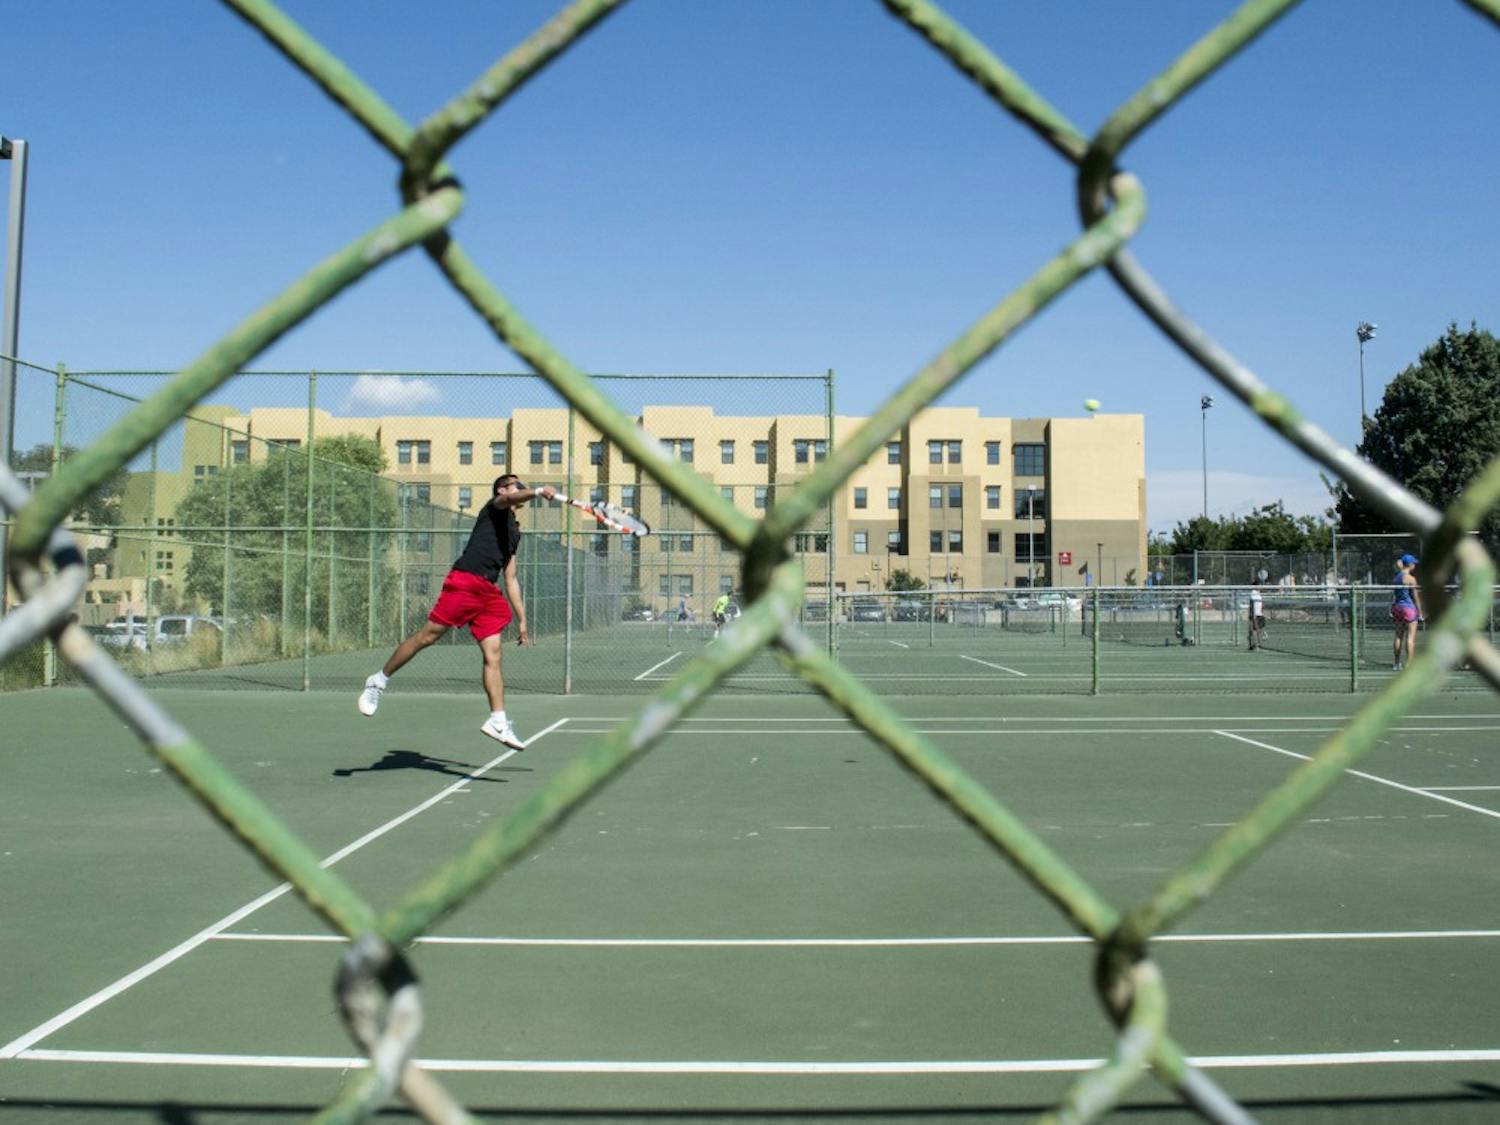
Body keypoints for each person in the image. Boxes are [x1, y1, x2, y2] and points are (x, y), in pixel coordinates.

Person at [357, 474, 556, 749]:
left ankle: (498, 721)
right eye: (517, 485)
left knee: (494, 654)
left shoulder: (514, 530)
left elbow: (511, 577)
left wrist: (522, 619)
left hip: (487, 591)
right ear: (502, 489)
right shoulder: (494, 507)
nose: (520, 488)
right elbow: (510, 499)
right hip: (465, 580)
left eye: (523, 486)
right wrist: (536, 491)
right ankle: (378, 681)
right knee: (426, 637)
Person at [1391, 552, 1425, 672]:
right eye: (1413, 563)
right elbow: (1416, 597)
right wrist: (1420, 613)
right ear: (1410, 565)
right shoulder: (1411, 578)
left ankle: (1396, 663)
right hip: (1409, 609)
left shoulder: (1396, 578)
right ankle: (1409, 665)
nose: (1414, 566)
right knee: (1410, 638)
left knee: (1398, 636)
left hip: (1397, 608)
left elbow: (1395, 595)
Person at [1247, 582, 1265, 650]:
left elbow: (1260, 604)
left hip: (1258, 614)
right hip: (1255, 614)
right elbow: (1252, 605)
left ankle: (1257, 644)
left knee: (1256, 630)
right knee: (1253, 630)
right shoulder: (1253, 593)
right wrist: (1253, 614)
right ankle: (1254, 644)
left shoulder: (1258, 593)